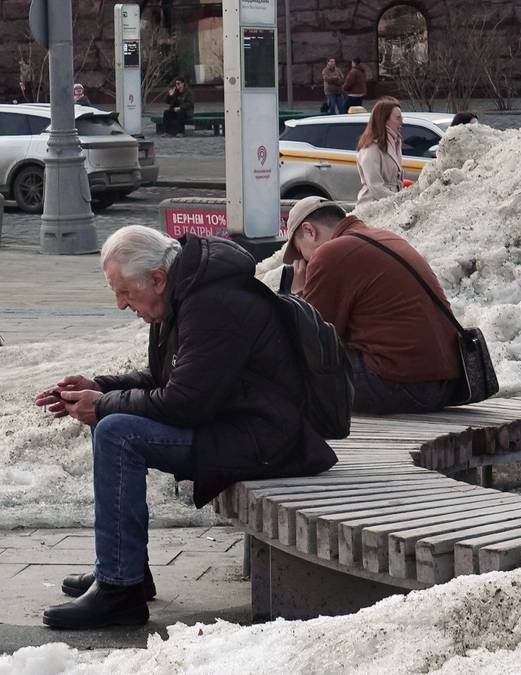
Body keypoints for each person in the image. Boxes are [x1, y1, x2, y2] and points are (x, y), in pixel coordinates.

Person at [33, 226, 337, 629]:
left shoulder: (213, 304)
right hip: (235, 425)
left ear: (157, 279)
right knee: (111, 420)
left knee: (115, 431)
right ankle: (126, 572)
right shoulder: (183, 293)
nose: (121, 304)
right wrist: (99, 388)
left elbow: (184, 403)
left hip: (265, 438)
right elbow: (166, 380)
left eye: (124, 292)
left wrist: (102, 404)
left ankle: (120, 593)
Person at [281, 197, 462, 414]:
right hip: (444, 385)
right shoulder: (386, 238)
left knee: (289, 368)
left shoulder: (330, 254)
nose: (305, 262)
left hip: (400, 385)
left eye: (301, 253)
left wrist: (299, 291)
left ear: (309, 231)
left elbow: (312, 341)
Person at [355, 97, 405, 206]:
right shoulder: (371, 148)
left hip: (390, 204)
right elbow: (376, 186)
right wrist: (401, 201)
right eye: (398, 118)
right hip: (373, 206)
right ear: (384, 120)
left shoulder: (395, 142)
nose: (402, 121)